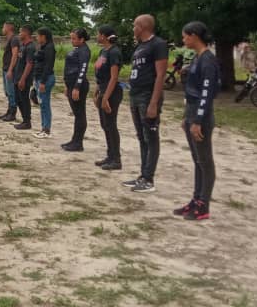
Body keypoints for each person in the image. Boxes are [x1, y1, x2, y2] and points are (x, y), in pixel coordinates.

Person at [175, 21, 220, 220]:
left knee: (205, 161)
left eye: (185, 36)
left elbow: (207, 94)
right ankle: (196, 199)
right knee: (197, 160)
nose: (183, 39)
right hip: (192, 112)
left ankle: (204, 205)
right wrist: (187, 117)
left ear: (194, 35)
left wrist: (198, 121)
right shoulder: (197, 58)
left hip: (201, 116)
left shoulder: (208, 60)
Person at [122, 14, 168, 194]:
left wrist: (153, 102)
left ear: (142, 27)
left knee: (151, 137)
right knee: (141, 136)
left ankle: (149, 179)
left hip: (148, 96)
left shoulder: (158, 45)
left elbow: (160, 75)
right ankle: (143, 175)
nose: (133, 29)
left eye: (135, 25)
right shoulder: (140, 46)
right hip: (135, 94)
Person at [93, 25, 124, 170]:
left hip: (111, 92)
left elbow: (114, 77)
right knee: (105, 125)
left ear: (104, 36)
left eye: (98, 34)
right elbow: (100, 75)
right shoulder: (103, 51)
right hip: (103, 90)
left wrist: (106, 97)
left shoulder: (114, 52)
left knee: (111, 125)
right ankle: (110, 155)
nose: (97, 36)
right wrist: (97, 92)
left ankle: (116, 159)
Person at [62, 28, 92, 152]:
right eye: (71, 38)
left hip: (78, 86)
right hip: (71, 84)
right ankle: (74, 140)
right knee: (77, 114)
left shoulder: (84, 51)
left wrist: (76, 87)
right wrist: (67, 85)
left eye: (74, 38)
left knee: (80, 114)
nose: (72, 40)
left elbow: (82, 70)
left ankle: (78, 143)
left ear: (82, 39)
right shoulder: (77, 49)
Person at [33, 27, 57, 139]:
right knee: (42, 104)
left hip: (45, 79)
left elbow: (48, 66)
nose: (36, 38)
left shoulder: (49, 48)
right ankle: (43, 128)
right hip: (39, 78)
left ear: (43, 36)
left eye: (38, 36)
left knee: (45, 104)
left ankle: (46, 129)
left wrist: (43, 82)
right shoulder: (43, 47)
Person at [13, 25, 36, 131]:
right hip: (17, 76)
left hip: (24, 78)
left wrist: (23, 79)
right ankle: (24, 120)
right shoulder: (22, 45)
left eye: (20, 32)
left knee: (24, 99)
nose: (19, 34)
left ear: (26, 33)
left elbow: (29, 64)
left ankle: (27, 121)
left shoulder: (31, 47)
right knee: (18, 99)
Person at [0, 21, 20, 122]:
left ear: (8, 28)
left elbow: (15, 55)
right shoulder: (9, 39)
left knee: (11, 92)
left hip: (10, 70)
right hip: (6, 68)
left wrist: (10, 69)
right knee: (7, 92)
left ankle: (12, 113)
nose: (2, 29)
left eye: (4, 27)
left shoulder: (14, 39)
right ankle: (9, 111)